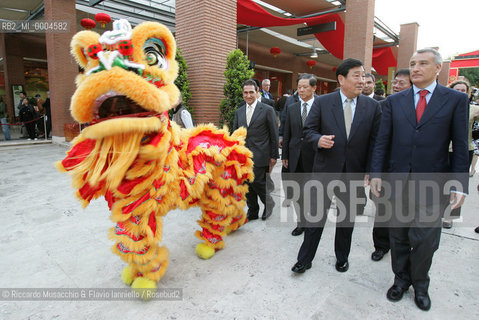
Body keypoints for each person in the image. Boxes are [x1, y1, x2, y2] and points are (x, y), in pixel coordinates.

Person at [370, 48, 469, 311]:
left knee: (425, 240)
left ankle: (420, 284)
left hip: (432, 185)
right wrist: (377, 174)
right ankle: (400, 280)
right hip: (397, 182)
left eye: (423, 63)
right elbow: (382, 142)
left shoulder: (455, 100)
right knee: (399, 237)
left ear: (438, 68)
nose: (415, 68)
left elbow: (460, 145)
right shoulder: (394, 101)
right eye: (412, 64)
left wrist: (459, 184)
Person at [291, 58, 381, 274]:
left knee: (346, 221)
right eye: (356, 75)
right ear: (341, 79)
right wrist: (318, 140)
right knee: (315, 219)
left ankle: (342, 257)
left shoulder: (373, 107)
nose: (362, 80)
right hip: (325, 170)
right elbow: (308, 131)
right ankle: (305, 259)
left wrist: (372, 170)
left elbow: (376, 142)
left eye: (363, 75)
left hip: (354, 173)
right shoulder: (323, 103)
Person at [370, 69, 412, 262]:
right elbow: (376, 140)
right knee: (383, 211)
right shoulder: (384, 104)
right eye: (395, 82)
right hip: (387, 169)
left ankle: (402, 246)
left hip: (411, 171)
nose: (396, 86)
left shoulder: (423, 107)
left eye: (401, 83)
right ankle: (381, 245)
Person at [233, 79, 279, 221]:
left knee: (259, 183)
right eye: (245, 93)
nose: (248, 95)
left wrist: (274, 155)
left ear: (257, 92)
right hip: (243, 156)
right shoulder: (239, 112)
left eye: (251, 92)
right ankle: (253, 210)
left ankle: (269, 204)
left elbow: (274, 134)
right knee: (247, 185)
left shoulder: (267, 110)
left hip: (261, 154)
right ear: (242, 93)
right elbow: (235, 134)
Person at [282, 74, 317, 236]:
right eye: (299, 87)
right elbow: (287, 134)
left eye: (305, 87)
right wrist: (285, 156)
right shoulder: (292, 108)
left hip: (315, 157)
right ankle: (301, 222)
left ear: (314, 88)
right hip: (296, 156)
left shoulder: (321, 106)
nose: (301, 90)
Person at [442, 79, 479, 229]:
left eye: (463, 91)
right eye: (456, 90)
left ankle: (450, 217)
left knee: (457, 185)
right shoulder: (443, 107)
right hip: (444, 150)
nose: (459, 93)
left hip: (464, 151)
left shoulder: (473, 109)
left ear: (468, 93)